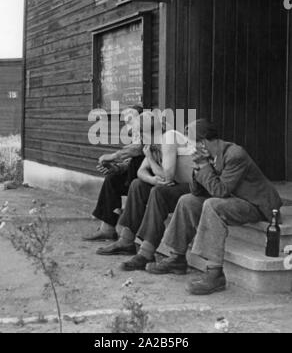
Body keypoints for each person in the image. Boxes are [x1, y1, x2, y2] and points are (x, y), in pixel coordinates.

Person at [146, 119, 283, 295]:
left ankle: (215, 273)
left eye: (192, 143)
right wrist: (197, 169)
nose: (190, 147)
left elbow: (220, 191)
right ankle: (177, 257)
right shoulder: (209, 156)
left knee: (213, 205)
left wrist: (204, 166)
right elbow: (196, 192)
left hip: (256, 204)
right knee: (187, 200)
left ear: (203, 143)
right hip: (233, 199)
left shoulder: (235, 154)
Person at [96, 113, 195, 272]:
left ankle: (146, 253)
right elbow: (141, 172)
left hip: (195, 187)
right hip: (177, 185)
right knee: (137, 184)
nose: (136, 136)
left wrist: (150, 159)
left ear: (148, 132)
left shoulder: (168, 137)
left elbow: (167, 176)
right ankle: (126, 241)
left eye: (138, 132)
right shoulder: (153, 144)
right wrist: (151, 179)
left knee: (158, 192)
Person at [82, 105, 144, 242]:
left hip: (150, 178)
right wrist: (116, 168)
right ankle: (107, 229)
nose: (128, 124)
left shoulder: (149, 131)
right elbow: (130, 160)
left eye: (131, 120)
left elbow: (138, 150)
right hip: (137, 176)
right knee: (112, 179)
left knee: (117, 178)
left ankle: (112, 229)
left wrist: (113, 156)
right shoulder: (134, 133)